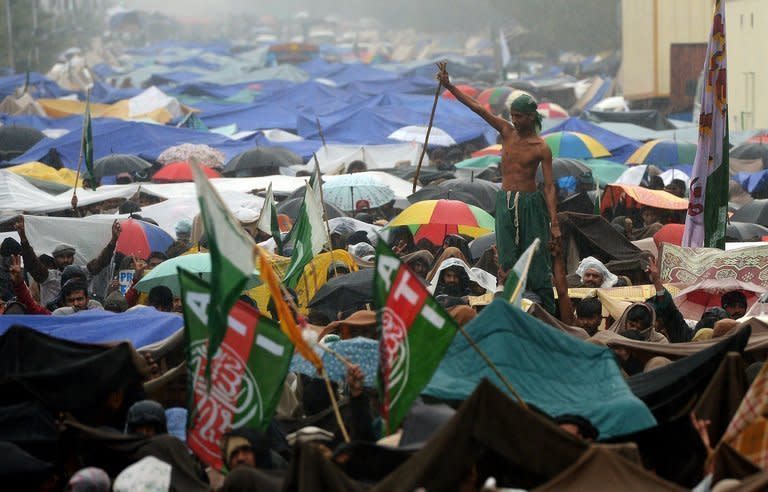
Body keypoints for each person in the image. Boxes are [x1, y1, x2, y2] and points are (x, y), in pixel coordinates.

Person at [439, 64, 559, 314]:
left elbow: (548, 187)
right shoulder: (506, 131)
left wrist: (554, 222)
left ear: (531, 117)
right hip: (505, 201)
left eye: (520, 116)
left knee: (536, 257)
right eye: (513, 115)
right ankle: (507, 304)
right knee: (506, 258)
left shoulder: (541, 147)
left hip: (531, 204)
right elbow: (478, 108)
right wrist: (450, 86)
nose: (515, 120)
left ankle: (546, 309)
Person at [15, 216, 120, 306]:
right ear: (55, 259)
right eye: (61, 257)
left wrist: (113, 241)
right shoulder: (49, 277)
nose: (66, 260)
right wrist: (24, 239)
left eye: (69, 256)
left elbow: (100, 262)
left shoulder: (82, 272)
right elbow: (33, 265)